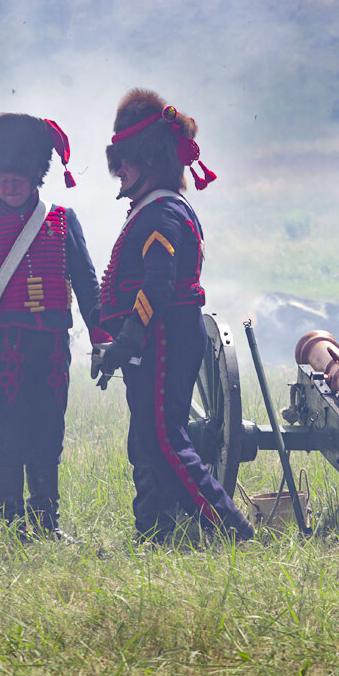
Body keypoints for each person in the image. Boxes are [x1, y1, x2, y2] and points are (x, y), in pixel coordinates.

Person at [93, 88, 255, 544]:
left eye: (124, 161)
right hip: (154, 338)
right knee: (147, 443)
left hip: (162, 337)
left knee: (166, 443)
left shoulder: (163, 212)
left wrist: (127, 340)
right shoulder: (152, 210)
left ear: (150, 160)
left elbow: (157, 287)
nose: (118, 171)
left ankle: (235, 533)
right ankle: (155, 535)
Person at [0, 113, 106, 541]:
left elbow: (88, 287)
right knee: (10, 435)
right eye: (2, 179)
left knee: (49, 433)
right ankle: (13, 525)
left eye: (17, 178)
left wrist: (103, 340)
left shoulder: (64, 221)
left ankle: (47, 522)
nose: (9, 186)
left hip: (52, 346)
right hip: (5, 346)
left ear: (35, 177)